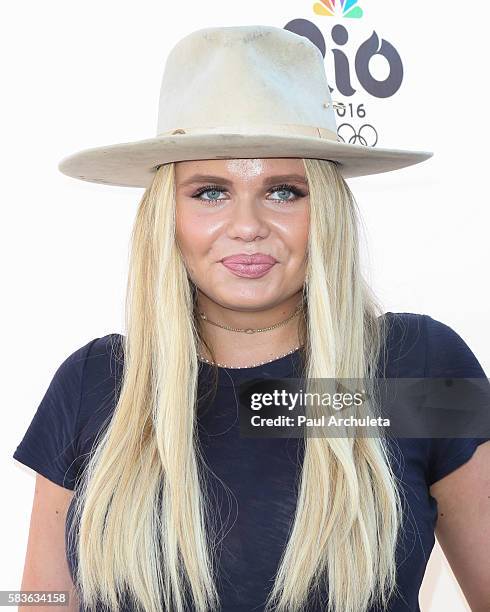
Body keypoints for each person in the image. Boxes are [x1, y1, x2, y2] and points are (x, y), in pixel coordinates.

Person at [12, 25, 490, 612]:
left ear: (328, 210)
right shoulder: (95, 382)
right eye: (210, 192)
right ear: (167, 215)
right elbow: (41, 599)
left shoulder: (416, 368)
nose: (247, 224)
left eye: (284, 191)